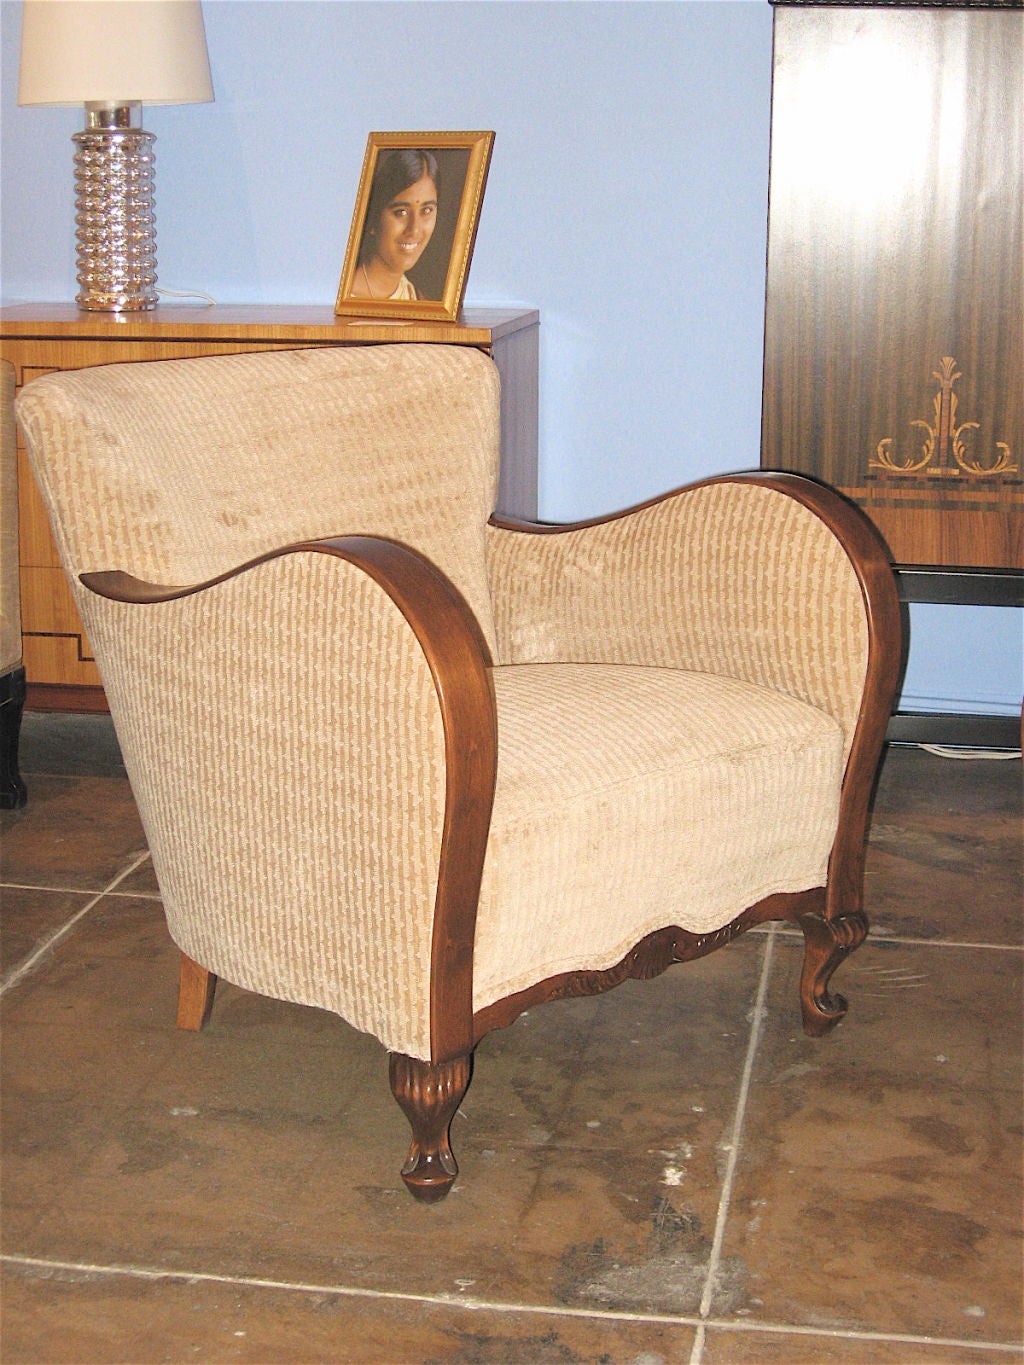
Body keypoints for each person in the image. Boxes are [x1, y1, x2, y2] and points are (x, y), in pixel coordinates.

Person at [349, 149, 439, 301]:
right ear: (373, 217)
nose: (415, 230)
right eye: (401, 212)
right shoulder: (340, 297)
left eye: (427, 210)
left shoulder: (416, 298)